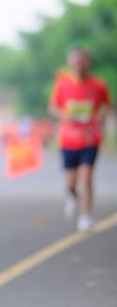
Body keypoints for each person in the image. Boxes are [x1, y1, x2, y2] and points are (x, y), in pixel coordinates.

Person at [48, 47, 111, 231]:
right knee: (71, 183)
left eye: (83, 61)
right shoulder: (62, 84)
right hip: (68, 140)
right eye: (75, 61)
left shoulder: (99, 85)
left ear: (88, 63)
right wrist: (65, 115)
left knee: (87, 176)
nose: (79, 64)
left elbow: (107, 106)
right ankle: (72, 195)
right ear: (70, 62)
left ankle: (85, 216)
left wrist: (101, 116)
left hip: (90, 138)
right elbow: (52, 108)